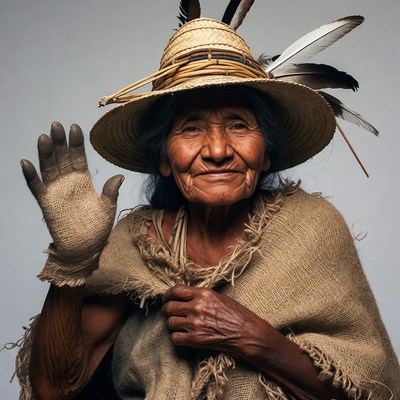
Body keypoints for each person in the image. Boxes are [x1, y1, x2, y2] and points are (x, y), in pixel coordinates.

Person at [15, 5, 400, 400]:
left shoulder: (312, 227)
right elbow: (53, 389)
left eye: (238, 124)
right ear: (164, 159)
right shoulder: (135, 242)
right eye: (192, 127)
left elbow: (371, 390)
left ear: (266, 153)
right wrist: (73, 264)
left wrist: (249, 336)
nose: (217, 149)